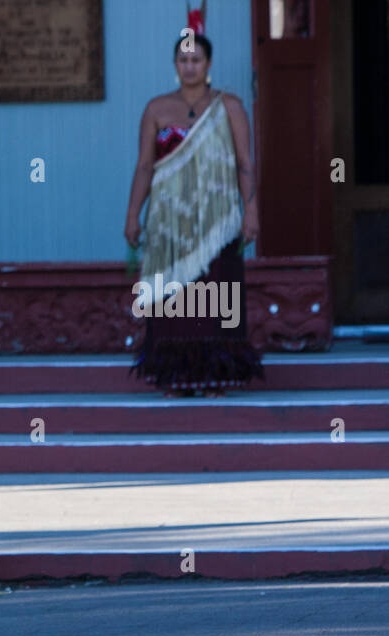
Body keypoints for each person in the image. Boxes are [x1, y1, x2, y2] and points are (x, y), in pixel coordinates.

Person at [124, 21, 264, 396]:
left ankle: (215, 374)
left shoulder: (229, 106)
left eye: (196, 59)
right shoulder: (157, 108)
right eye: (183, 60)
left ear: (208, 64)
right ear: (175, 64)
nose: (190, 66)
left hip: (216, 219)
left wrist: (250, 211)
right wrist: (132, 214)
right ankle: (176, 375)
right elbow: (143, 165)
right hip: (170, 223)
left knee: (215, 292)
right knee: (173, 299)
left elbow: (245, 163)